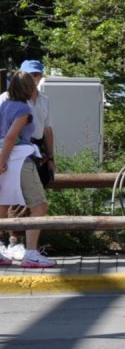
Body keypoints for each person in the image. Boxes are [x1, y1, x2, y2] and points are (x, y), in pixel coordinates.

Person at [0, 70, 55, 267]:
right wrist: (3, 161)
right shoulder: (23, 109)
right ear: (29, 89)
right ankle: (31, 253)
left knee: (3, 203)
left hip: (4, 155)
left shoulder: (4, 105)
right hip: (19, 158)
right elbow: (12, 137)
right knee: (39, 204)